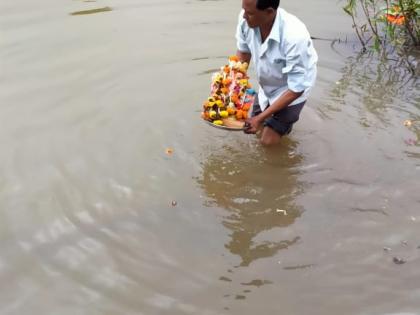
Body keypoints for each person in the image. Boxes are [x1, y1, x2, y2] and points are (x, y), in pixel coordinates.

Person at [236, 0, 318, 145]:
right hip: (267, 83)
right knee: (257, 129)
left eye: (249, 13)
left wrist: (259, 118)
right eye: (244, 10)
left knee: (267, 141)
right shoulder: (247, 20)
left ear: (269, 12)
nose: (244, 16)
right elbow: (244, 53)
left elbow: (296, 89)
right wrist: (233, 89)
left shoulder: (294, 36)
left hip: (291, 89)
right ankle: (276, 125)